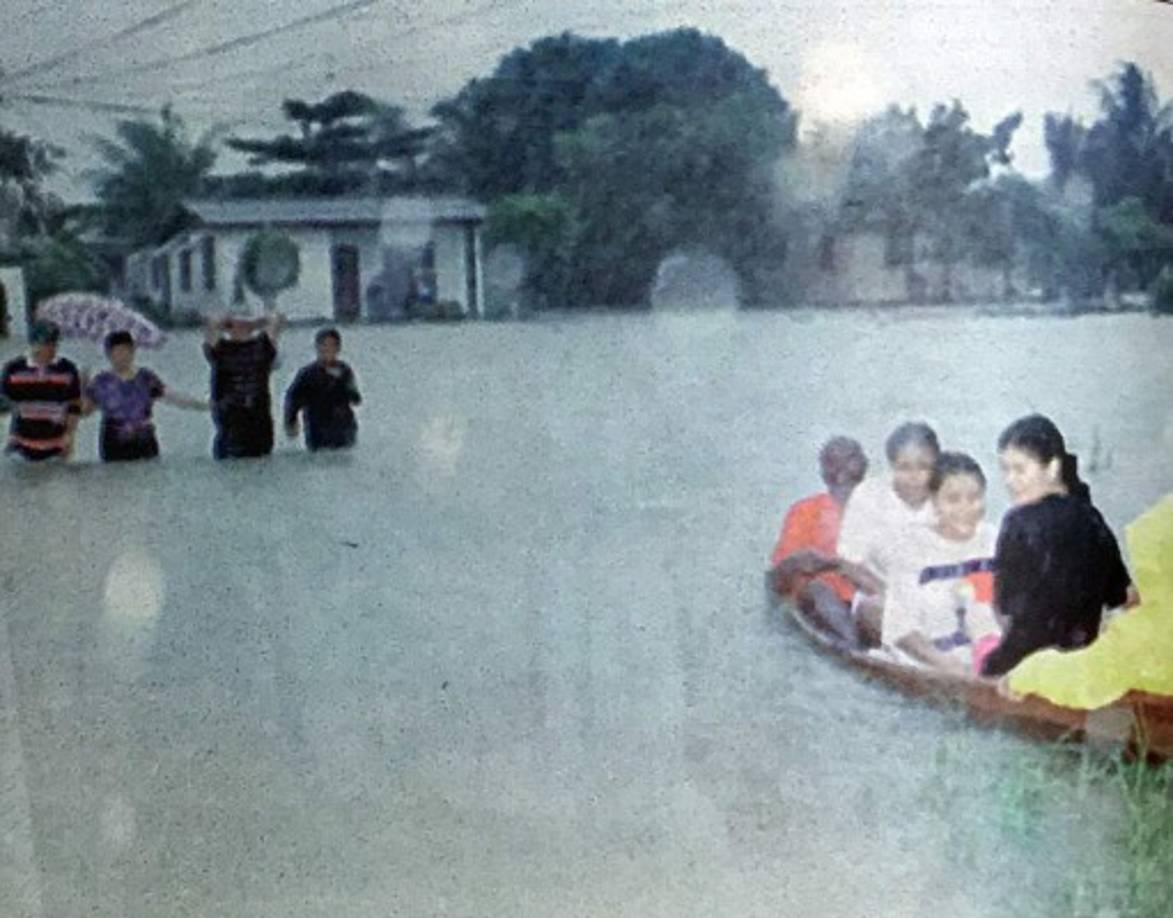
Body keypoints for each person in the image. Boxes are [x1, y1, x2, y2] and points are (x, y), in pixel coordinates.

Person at [980, 414, 1134, 677]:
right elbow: (1127, 597)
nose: (1009, 480)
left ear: (1052, 468)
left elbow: (1002, 606)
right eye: (1005, 470)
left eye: (1019, 469)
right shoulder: (1091, 517)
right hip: (1082, 662)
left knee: (984, 660)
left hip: (1025, 664)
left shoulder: (1016, 521)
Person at [882, 453, 1001, 677]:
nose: (965, 509)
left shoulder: (995, 539)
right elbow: (900, 629)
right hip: (929, 662)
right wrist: (948, 666)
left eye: (974, 498)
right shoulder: (911, 548)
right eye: (953, 499)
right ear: (935, 502)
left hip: (990, 655)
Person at [836, 421, 942, 644]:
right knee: (879, 612)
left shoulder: (950, 495)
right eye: (904, 467)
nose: (914, 476)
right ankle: (945, 666)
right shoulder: (869, 496)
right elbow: (849, 564)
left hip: (939, 598)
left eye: (923, 467)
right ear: (892, 465)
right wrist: (895, 597)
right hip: (882, 597)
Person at [769, 436, 869, 644]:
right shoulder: (805, 511)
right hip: (825, 600)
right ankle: (854, 648)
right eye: (834, 461)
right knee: (818, 589)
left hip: (869, 596)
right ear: (825, 472)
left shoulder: (883, 509)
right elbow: (778, 576)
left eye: (851, 458)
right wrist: (799, 561)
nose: (843, 467)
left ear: (864, 466)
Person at [82, 330, 209, 462]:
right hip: (113, 443)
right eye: (117, 352)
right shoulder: (101, 382)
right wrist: (82, 388)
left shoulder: (145, 378)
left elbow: (172, 397)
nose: (122, 356)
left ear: (133, 351)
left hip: (145, 441)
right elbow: (84, 411)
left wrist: (203, 405)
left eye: (126, 351)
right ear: (109, 354)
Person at [203, 312, 282, 460]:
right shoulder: (220, 349)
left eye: (244, 324)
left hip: (259, 419)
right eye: (235, 324)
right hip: (230, 420)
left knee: (262, 460)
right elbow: (211, 321)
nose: (240, 327)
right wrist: (229, 320)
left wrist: (253, 321)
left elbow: (275, 318)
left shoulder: (263, 347)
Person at [1, 319, 82, 461]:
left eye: (54, 343)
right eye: (46, 344)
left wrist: (69, 436)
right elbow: (4, 403)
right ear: (33, 344)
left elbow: (74, 406)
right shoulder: (13, 369)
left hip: (56, 448)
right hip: (20, 448)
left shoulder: (67, 369)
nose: (51, 348)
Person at [283, 327, 362, 451]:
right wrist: (290, 421)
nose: (328, 349)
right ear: (317, 347)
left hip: (343, 428)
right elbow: (292, 398)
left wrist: (341, 382)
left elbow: (356, 399)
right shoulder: (307, 374)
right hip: (317, 429)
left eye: (332, 345)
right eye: (324, 345)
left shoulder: (344, 370)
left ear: (338, 348)